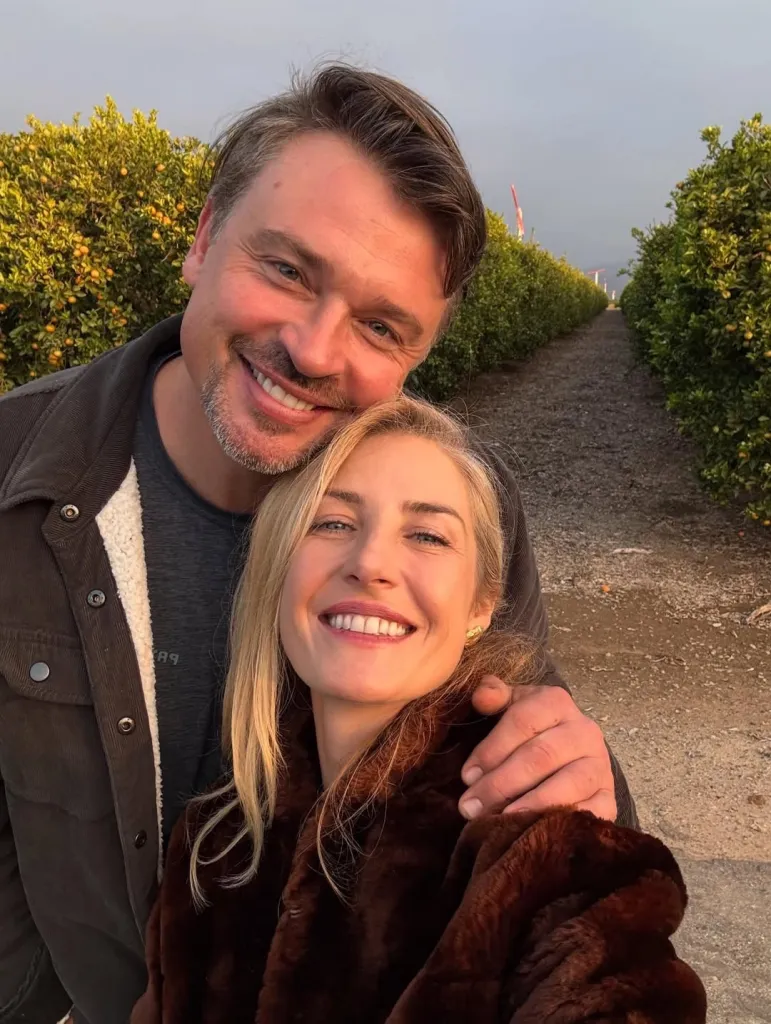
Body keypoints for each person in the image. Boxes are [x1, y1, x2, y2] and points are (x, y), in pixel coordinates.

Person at [0, 65, 635, 1024]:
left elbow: (508, 738)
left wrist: (583, 780)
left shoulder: (461, 504)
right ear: (204, 238)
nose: (314, 348)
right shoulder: (14, 474)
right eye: (288, 270)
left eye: (381, 325)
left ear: (419, 355)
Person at [131, 396, 705, 1024]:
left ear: (483, 605)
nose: (371, 563)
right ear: (276, 571)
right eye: (331, 523)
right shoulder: (212, 847)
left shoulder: (534, 837)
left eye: (428, 535)